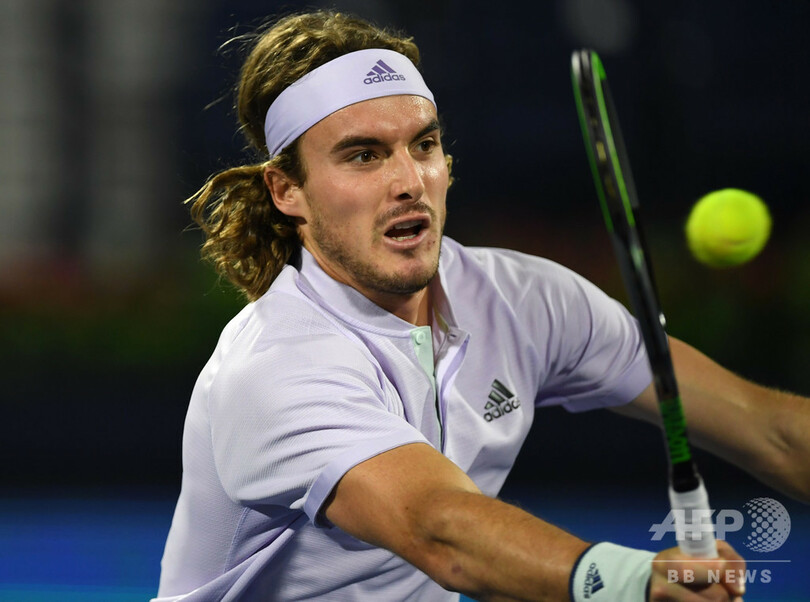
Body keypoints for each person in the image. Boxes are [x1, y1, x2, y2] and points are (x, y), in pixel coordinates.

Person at [154, 10, 810, 602]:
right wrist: (633, 582)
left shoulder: (525, 301)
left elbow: (773, 432)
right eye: (364, 156)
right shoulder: (275, 367)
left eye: (424, 145)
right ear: (287, 190)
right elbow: (442, 532)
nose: (409, 182)